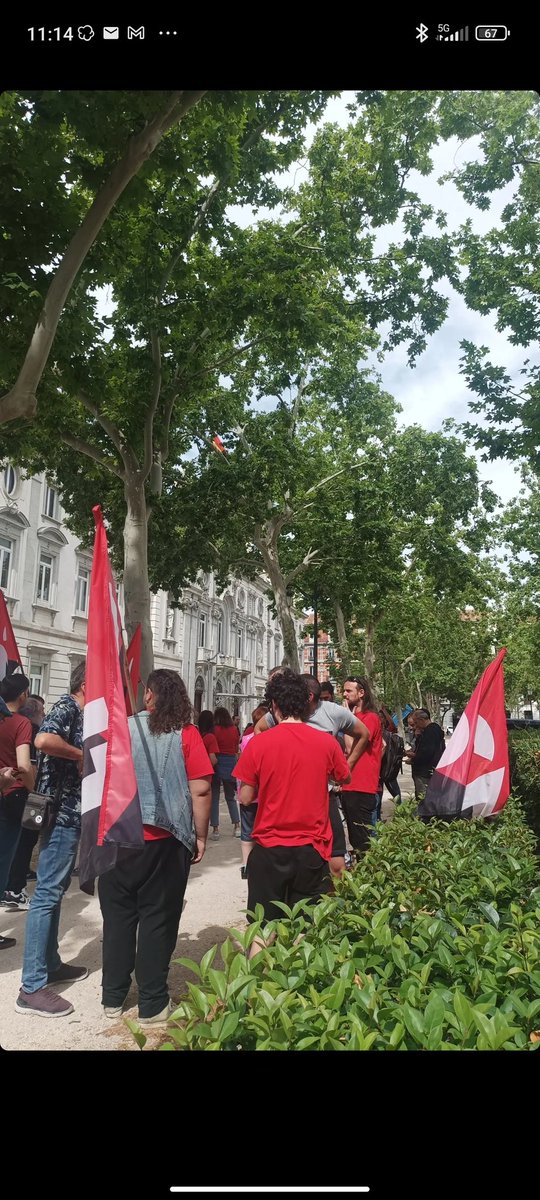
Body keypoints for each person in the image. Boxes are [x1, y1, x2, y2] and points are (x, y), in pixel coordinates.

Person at [98, 669, 212, 1024]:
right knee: (158, 920)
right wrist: (201, 835)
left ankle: (112, 998)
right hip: (163, 841)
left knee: (117, 919)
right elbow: (201, 789)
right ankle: (152, 1003)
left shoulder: (120, 729)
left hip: (118, 839)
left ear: (149, 695)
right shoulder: (187, 735)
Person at [233, 670, 351, 955]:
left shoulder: (259, 743)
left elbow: (246, 797)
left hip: (269, 848)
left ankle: (255, 991)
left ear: (274, 705)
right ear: (307, 704)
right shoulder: (325, 743)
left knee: (262, 928)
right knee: (305, 927)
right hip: (312, 849)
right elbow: (344, 777)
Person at [15, 662, 87, 1016]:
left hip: (69, 815)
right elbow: (43, 739)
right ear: (87, 683)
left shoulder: (80, 710)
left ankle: (51, 964)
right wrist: (80, 753)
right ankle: (31, 986)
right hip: (59, 814)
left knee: (54, 891)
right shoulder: (68, 706)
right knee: (45, 894)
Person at [254, 674, 369, 878]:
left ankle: (334, 907)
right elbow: (259, 729)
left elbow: (364, 734)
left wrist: (347, 766)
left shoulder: (334, 712)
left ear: (309, 697)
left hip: (324, 795)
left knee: (336, 865)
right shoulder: (284, 711)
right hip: (288, 796)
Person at [0, 673, 35, 949]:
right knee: (8, 856)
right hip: (12, 794)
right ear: (23, 695)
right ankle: (13, 891)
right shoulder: (21, 723)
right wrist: (33, 789)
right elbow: (24, 764)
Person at [3, 695, 45, 911]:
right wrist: (37, 793)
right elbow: (28, 766)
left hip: (7, 791)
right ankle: (15, 889)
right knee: (25, 841)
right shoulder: (26, 726)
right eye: (42, 710)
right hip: (24, 793)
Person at [341, 676, 383, 855]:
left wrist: (346, 720)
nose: (344, 694)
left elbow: (351, 746)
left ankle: (368, 876)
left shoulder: (370, 718)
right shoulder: (356, 717)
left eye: (348, 691)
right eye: (344, 690)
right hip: (349, 785)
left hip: (362, 786)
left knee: (363, 839)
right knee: (355, 837)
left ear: (361, 693)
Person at [236, 704, 268, 880]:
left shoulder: (246, 739)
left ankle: (247, 865)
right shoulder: (269, 740)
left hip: (246, 791)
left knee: (247, 830)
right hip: (263, 793)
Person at [404, 709, 446, 800]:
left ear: (422, 720)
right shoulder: (430, 731)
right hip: (430, 770)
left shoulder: (430, 732)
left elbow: (426, 753)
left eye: (416, 723)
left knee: (423, 798)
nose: (415, 726)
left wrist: (414, 758)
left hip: (424, 771)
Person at [213, 706, 241, 837]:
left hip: (218, 761)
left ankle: (215, 829)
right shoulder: (234, 730)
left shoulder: (215, 730)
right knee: (230, 797)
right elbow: (236, 747)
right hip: (231, 762)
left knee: (214, 797)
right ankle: (236, 826)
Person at [198, 709, 220, 840]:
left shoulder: (199, 735)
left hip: (197, 775)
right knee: (211, 802)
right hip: (208, 775)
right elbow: (213, 759)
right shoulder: (211, 737)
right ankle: (212, 829)